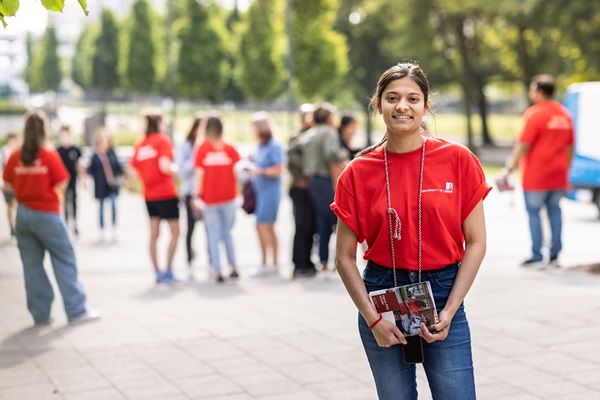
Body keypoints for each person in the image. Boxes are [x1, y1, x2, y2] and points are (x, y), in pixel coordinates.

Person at [331, 62, 490, 399]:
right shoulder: (357, 171)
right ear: (378, 104)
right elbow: (344, 257)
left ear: (425, 106)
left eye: (412, 98)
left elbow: (476, 242)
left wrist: (450, 309)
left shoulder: (458, 160)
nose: (402, 106)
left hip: (444, 292)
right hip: (381, 296)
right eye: (392, 98)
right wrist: (372, 319)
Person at [2, 110, 98, 325]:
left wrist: (16, 201)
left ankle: (40, 315)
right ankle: (76, 310)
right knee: (64, 259)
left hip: (23, 216)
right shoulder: (48, 154)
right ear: (45, 130)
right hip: (47, 214)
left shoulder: (15, 156)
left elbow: (7, 187)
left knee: (32, 266)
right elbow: (63, 182)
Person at [498, 74, 574, 267]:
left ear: (540, 92)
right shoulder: (565, 114)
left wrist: (509, 168)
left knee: (534, 212)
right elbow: (570, 147)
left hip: (537, 174)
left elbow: (523, 144)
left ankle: (537, 255)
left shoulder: (535, 113)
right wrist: (567, 170)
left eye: (532, 89)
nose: (531, 93)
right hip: (558, 173)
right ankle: (555, 256)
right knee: (555, 211)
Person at [130, 110, 180, 284]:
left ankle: (157, 272)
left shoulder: (140, 144)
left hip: (149, 195)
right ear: (159, 123)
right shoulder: (162, 140)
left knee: (153, 234)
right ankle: (169, 270)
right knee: (175, 232)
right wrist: (176, 169)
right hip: (166, 193)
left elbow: (134, 172)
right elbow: (165, 166)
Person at [194, 115, 240, 283]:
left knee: (213, 235)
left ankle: (216, 270)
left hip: (210, 198)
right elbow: (237, 173)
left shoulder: (203, 148)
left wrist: (196, 195)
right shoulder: (229, 147)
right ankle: (233, 267)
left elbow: (199, 175)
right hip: (228, 197)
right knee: (227, 234)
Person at [301, 103, 346, 272]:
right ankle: (338, 260)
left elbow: (293, 151)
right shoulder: (329, 132)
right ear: (328, 117)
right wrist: (342, 158)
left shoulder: (310, 132)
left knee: (322, 220)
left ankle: (323, 260)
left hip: (312, 181)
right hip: (326, 180)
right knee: (336, 219)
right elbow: (330, 153)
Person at [248, 112, 284, 277]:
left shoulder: (274, 145)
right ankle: (267, 262)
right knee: (264, 226)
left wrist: (260, 171)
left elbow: (278, 168)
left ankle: (271, 262)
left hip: (270, 192)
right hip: (261, 192)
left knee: (264, 225)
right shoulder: (261, 146)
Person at [288, 103, 317, 278]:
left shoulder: (314, 134)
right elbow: (292, 161)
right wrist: (299, 178)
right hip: (300, 188)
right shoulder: (297, 137)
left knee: (311, 226)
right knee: (301, 225)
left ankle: (307, 261)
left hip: (311, 187)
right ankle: (299, 263)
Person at [176, 114, 202, 279]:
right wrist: (196, 159)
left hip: (207, 193)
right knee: (190, 228)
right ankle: (189, 261)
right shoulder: (186, 146)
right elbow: (181, 169)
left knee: (211, 229)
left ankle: (212, 261)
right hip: (190, 191)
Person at [87, 130, 123, 243]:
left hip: (112, 186)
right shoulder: (95, 155)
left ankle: (113, 228)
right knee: (101, 207)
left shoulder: (112, 153)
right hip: (101, 185)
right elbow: (90, 170)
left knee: (113, 205)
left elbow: (119, 168)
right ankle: (102, 230)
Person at [56, 125, 82, 237]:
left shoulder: (75, 149)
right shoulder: (58, 151)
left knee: (74, 201)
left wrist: (83, 178)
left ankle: (74, 223)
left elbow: (78, 164)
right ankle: (65, 224)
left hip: (73, 180)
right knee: (65, 202)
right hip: (62, 181)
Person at [1, 132, 18, 237]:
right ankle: (11, 226)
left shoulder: (19, 151)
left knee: (17, 205)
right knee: (9, 206)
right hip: (7, 183)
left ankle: (17, 226)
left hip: (18, 184)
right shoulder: (4, 151)